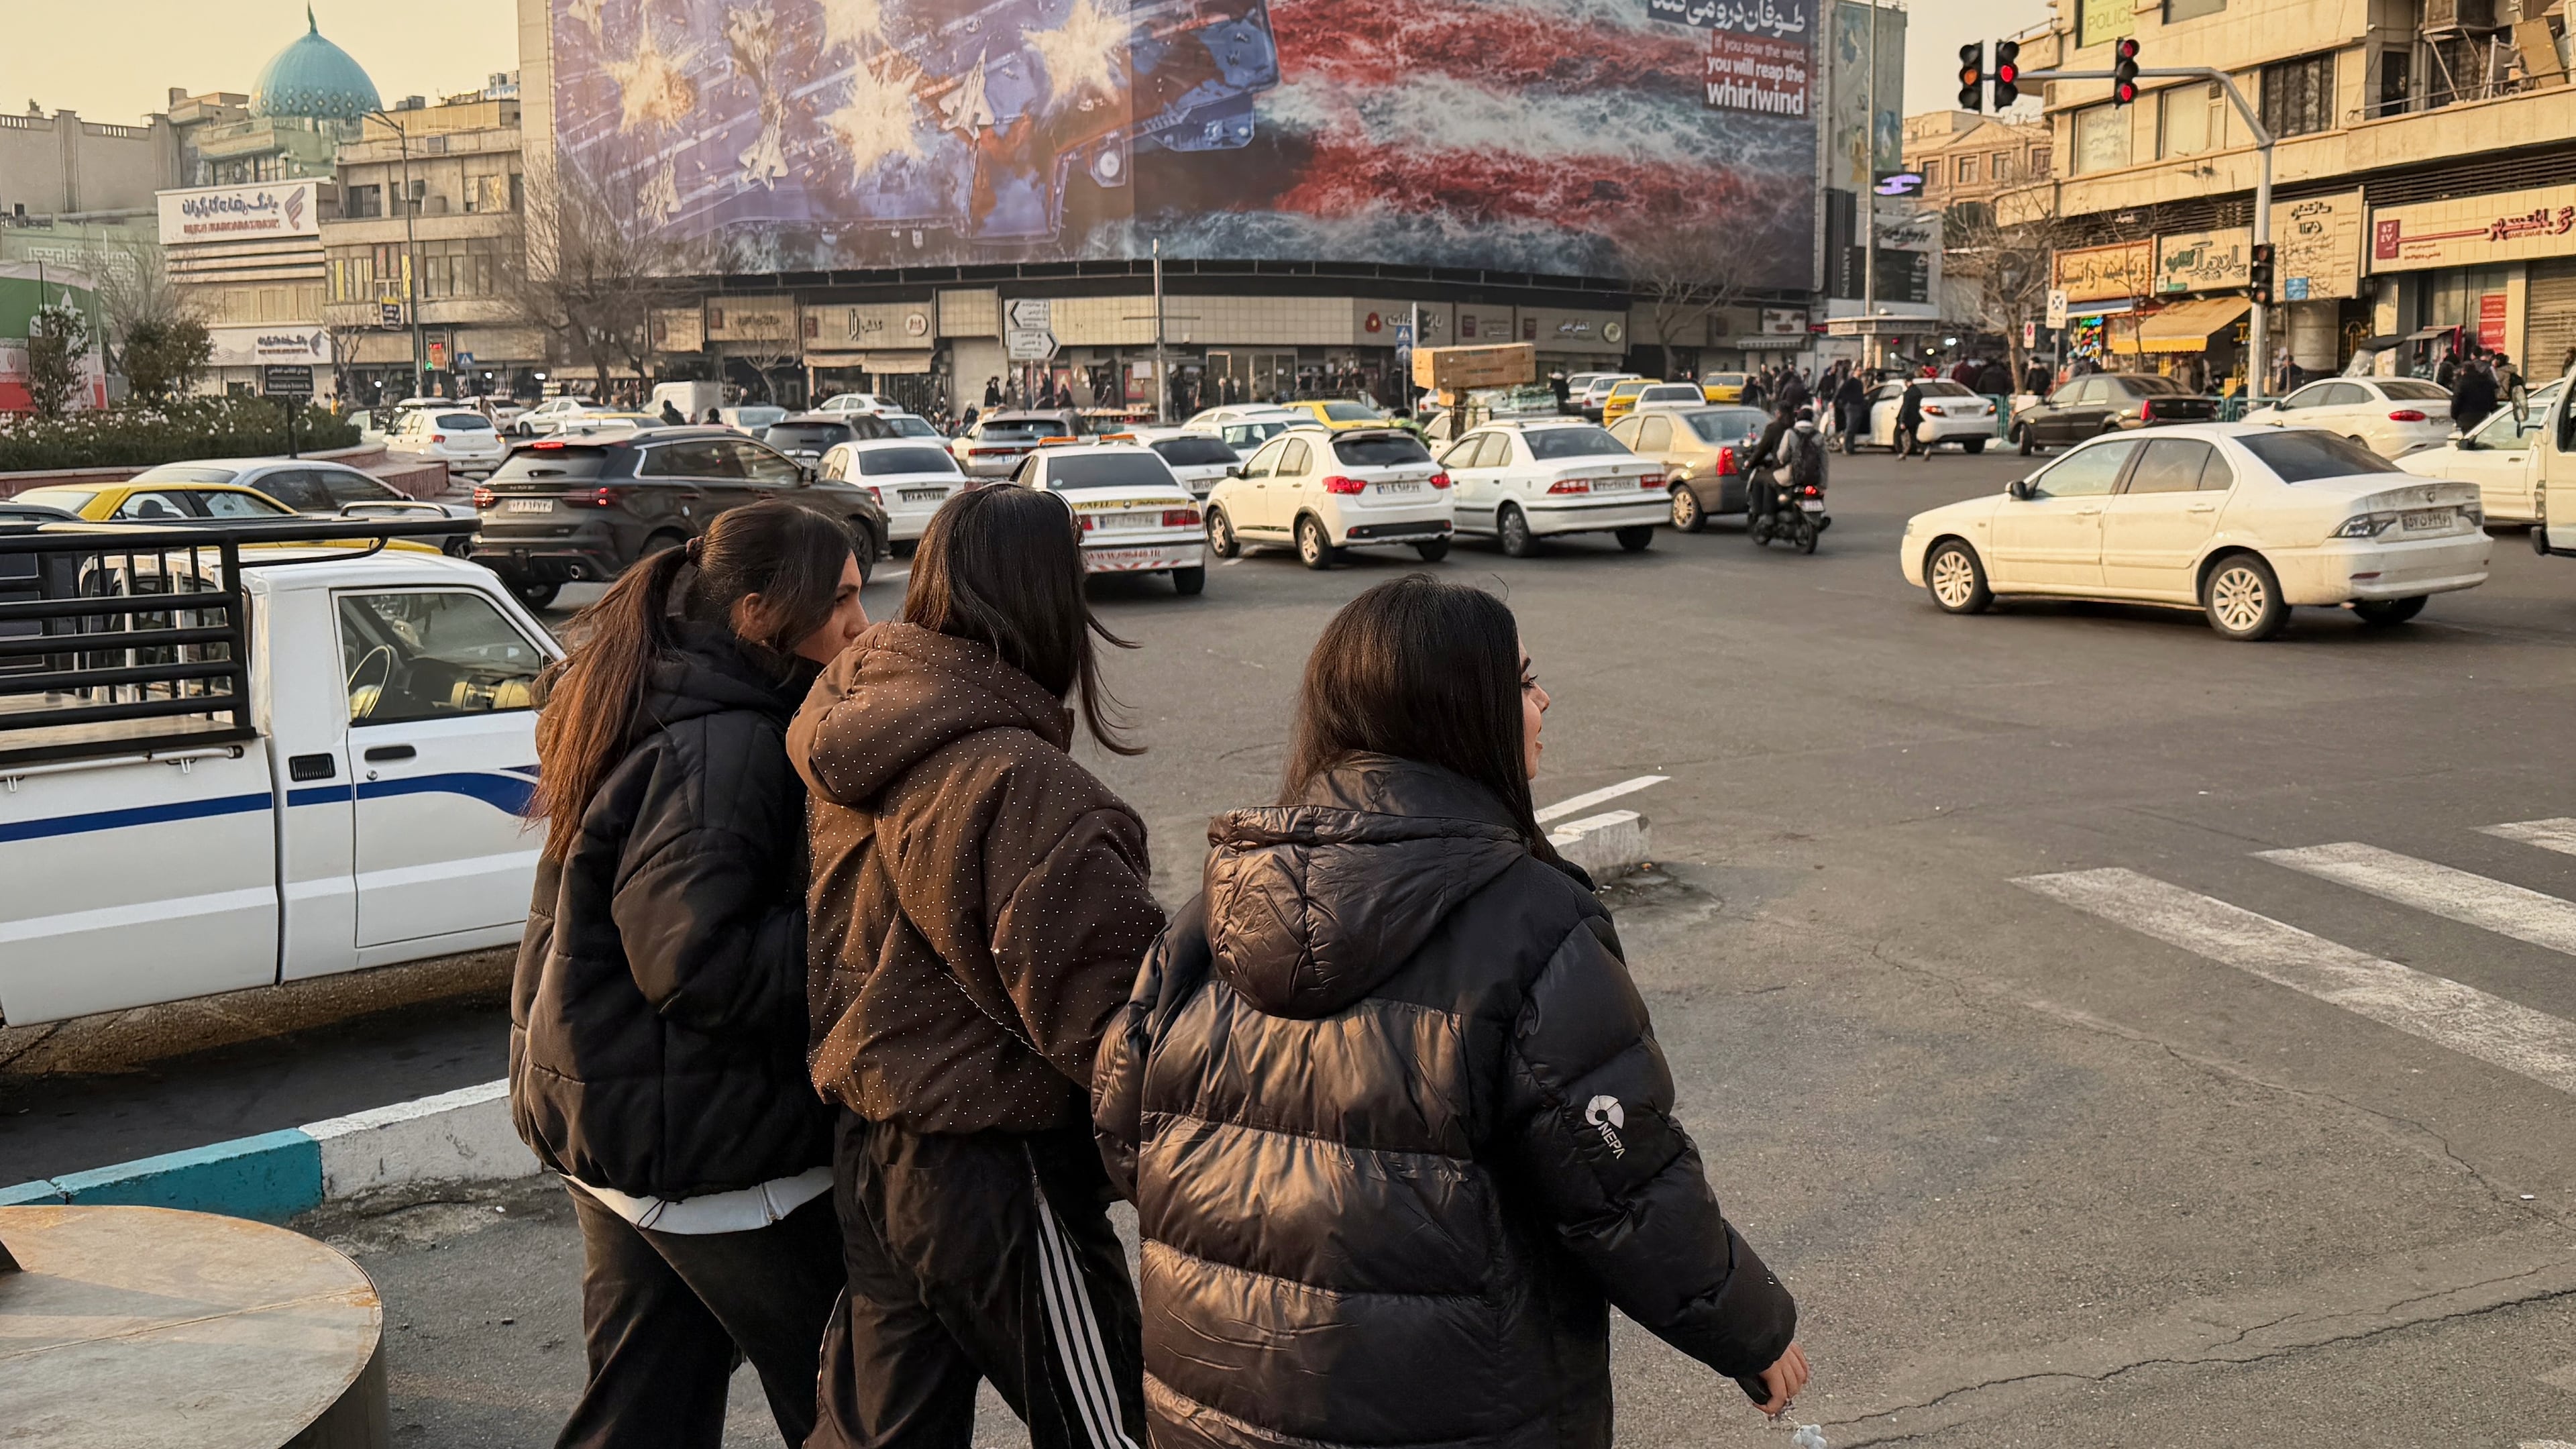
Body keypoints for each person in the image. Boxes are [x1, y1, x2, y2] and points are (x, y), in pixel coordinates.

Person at [1095, 574, 1807, 1449]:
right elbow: (1624, 1191)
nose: (1545, 700)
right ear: (1457, 711)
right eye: (1522, 682)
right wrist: (1752, 1330)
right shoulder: (1534, 924)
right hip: (1456, 1411)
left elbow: (1126, 1130)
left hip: (1215, 1406)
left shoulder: (1217, 909)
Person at [793, 485, 1162, 1449]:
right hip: (996, 1165)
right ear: (1049, 603)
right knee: (1114, 1431)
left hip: (875, 1150)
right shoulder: (1022, 782)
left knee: (883, 1433)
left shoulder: (864, 719)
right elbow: (1118, 1034)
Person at [511, 501, 870, 1449]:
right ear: (756, 613)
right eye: (837, 602)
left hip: (622, 1136)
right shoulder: (728, 740)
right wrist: (860, 922)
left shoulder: (653, 691)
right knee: (860, 1414)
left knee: (642, 1417)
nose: (860, 627)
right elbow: (693, 958)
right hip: (716, 1159)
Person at [2453, 353, 2499, 433]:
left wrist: (2455, 415)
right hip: (2483, 415)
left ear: (2463, 371)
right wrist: (2492, 409)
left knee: (2468, 437)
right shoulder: (2485, 380)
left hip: (2466, 417)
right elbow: (2492, 396)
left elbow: (2457, 400)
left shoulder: (2462, 382)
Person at [1895, 378, 1926, 460]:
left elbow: (1905, 407)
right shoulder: (1918, 392)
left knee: (1898, 435)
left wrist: (1902, 421)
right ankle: (1925, 450)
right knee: (1913, 437)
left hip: (1907, 419)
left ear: (1906, 381)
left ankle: (1901, 453)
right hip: (1916, 417)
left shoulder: (1908, 393)